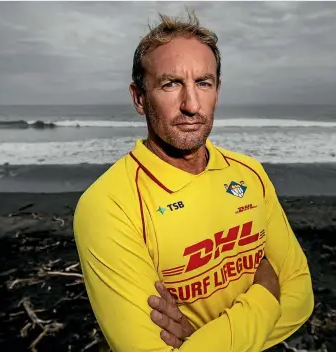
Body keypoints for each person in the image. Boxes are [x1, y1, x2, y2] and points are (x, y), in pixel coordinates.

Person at [73, 9, 314, 351]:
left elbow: (301, 298)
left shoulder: (249, 173)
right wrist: (266, 292)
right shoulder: (109, 205)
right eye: (170, 84)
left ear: (217, 89)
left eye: (204, 83)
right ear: (139, 98)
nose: (191, 104)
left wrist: (201, 340)